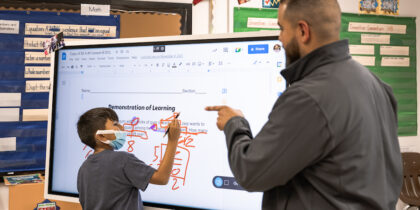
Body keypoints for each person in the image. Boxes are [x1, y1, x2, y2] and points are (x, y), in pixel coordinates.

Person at [205, 0, 403, 209]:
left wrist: (234, 124)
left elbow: (251, 172)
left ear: (302, 31)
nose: (279, 38)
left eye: (282, 29)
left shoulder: (307, 97)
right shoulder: (377, 85)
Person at [76, 107, 180, 210]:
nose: (122, 127)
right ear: (102, 136)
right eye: (115, 124)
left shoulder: (83, 168)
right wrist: (173, 140)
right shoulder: (122, 160)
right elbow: (162, 178)